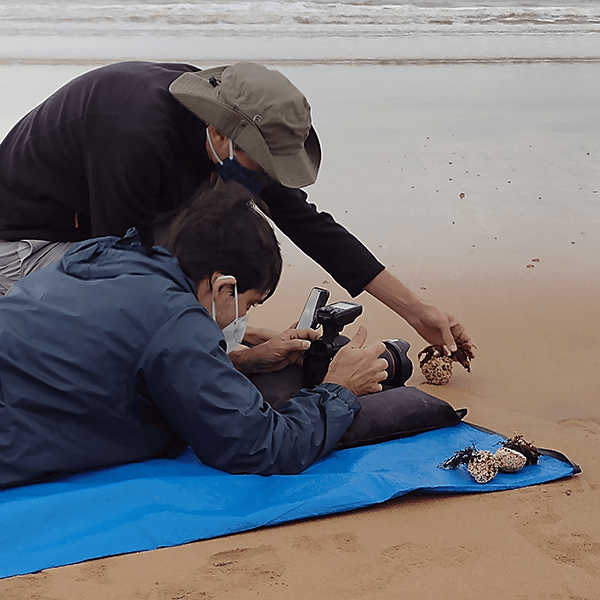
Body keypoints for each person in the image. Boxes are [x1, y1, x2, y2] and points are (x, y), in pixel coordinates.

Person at [0, 60, 473, 360]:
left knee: (216, 270)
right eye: (259, 165)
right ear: (222, 132)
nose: (260, 178)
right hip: (27, 243)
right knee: (134, 327)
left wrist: (417, 310)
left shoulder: (235, 128)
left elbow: (306, 223)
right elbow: (117, 269)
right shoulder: (135, 136)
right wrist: (237, 354)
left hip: (106, 233)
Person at [0, 190, 389, 490]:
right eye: (248, 303)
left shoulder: (94, 255)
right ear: (224, 287)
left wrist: (241, 362)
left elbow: (110, 358)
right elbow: (260, 446)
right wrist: (340, 388)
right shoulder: (175, 319)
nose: (243, 317)